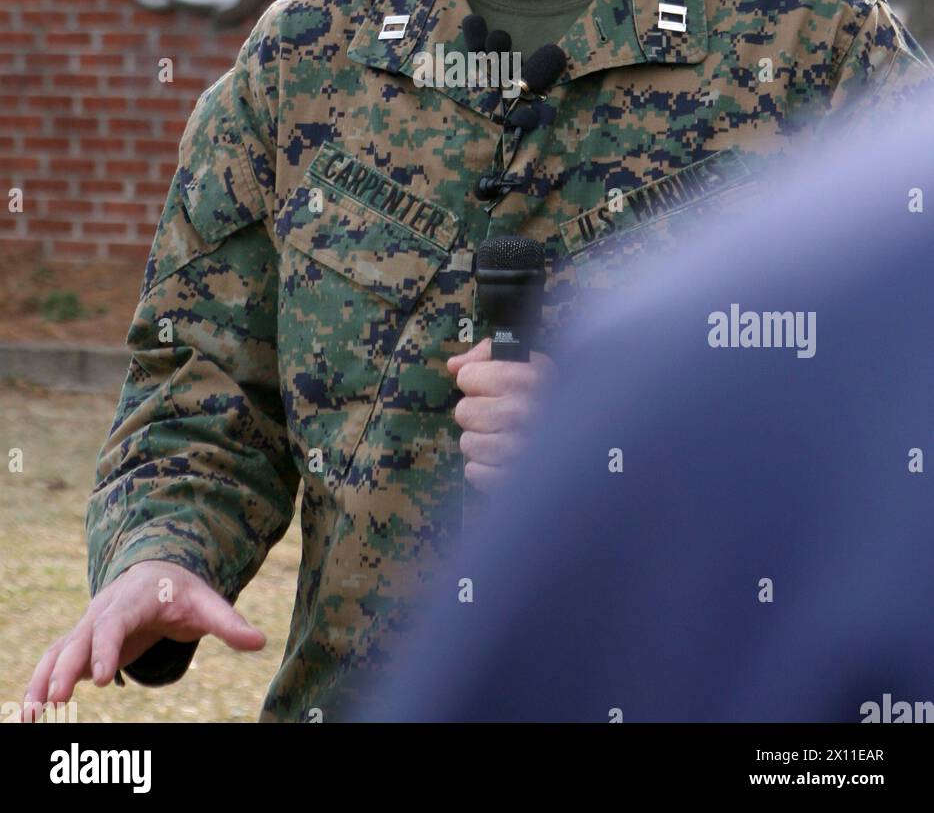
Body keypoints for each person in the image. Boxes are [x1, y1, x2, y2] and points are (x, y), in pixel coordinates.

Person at [23, 0, 934, 724]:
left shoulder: (815, 47)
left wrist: (636, 430)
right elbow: (201, 387)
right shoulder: (309, 56)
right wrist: (160, 547)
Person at [358, 86, 934, 723]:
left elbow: (885, 423)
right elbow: (227, 390)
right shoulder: (309, 42)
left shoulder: (834, 40)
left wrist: (603, 444)